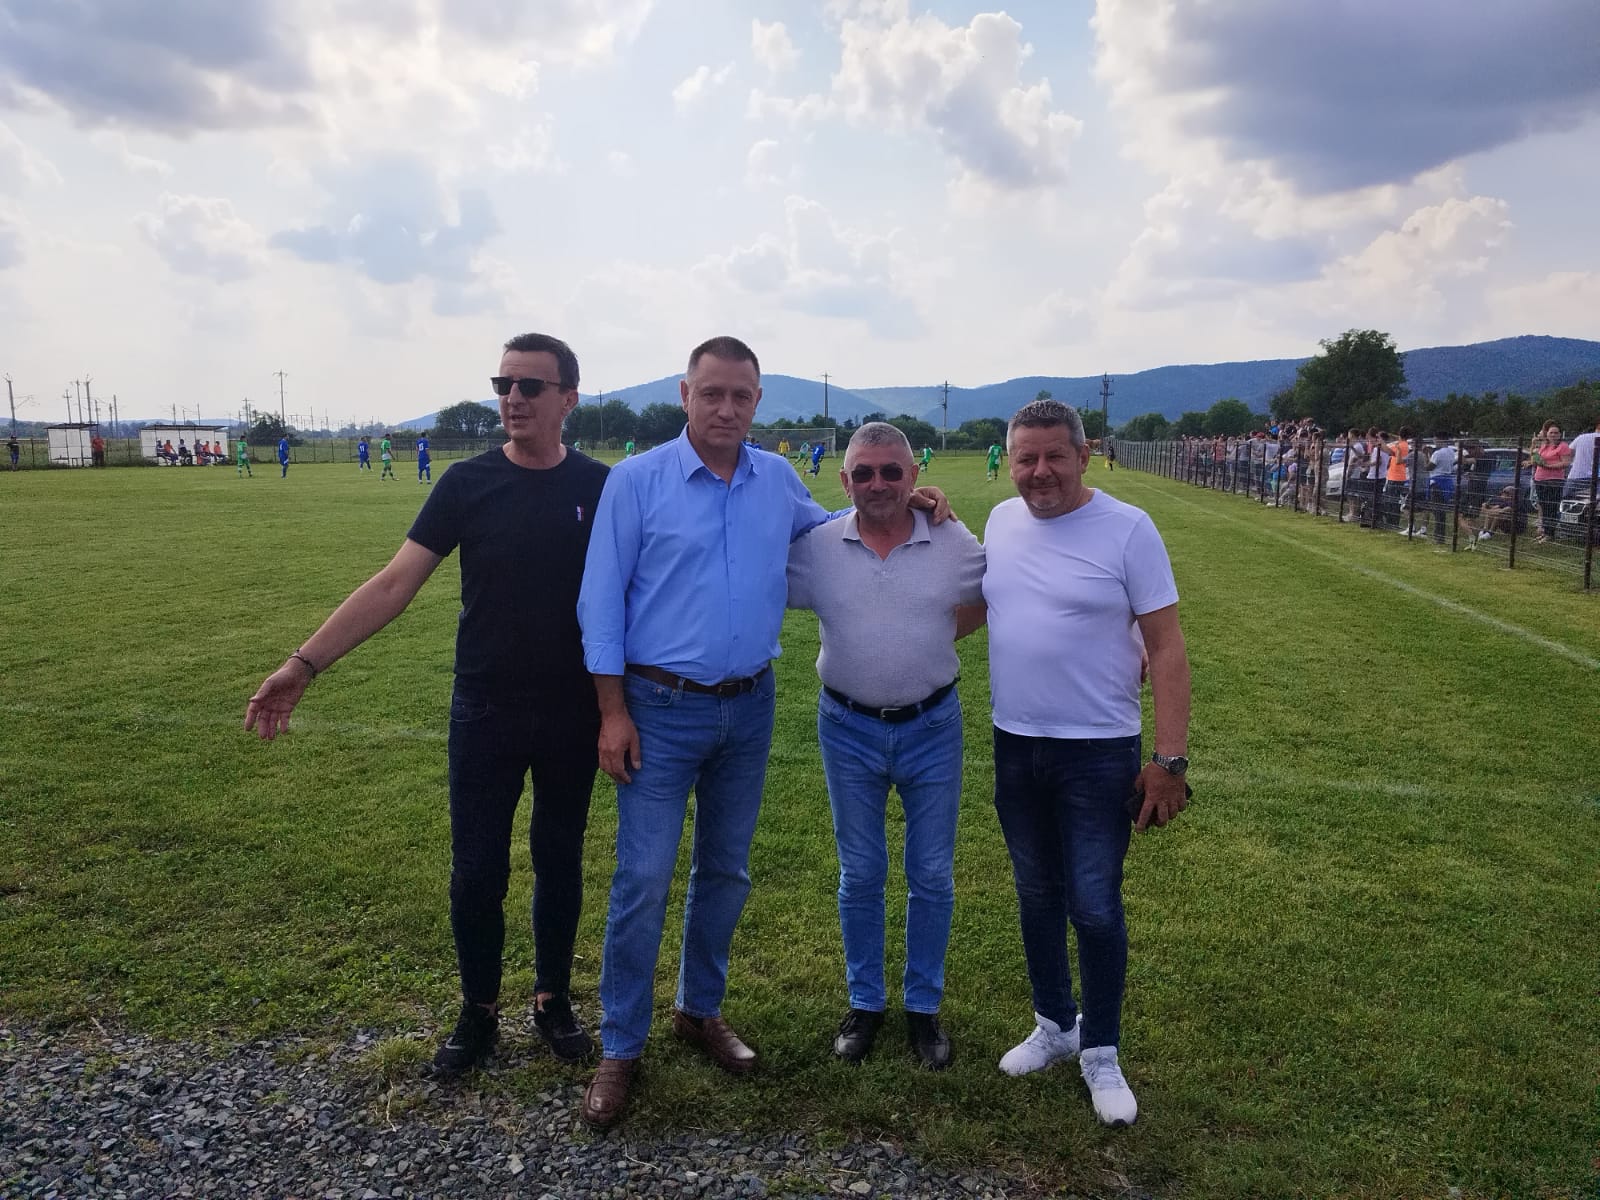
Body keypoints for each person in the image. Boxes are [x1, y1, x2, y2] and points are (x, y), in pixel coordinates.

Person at [574, 336, 948, 1130]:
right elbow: (599, 602)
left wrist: (908, 500)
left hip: (748, 708)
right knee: (643, 877)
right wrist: (611, 711)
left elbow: (840, 530)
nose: (725, 408)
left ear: (756, 402)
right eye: (711, 393)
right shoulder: (635, 481)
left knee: (726, 871)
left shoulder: (775, 479)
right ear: (685, 395)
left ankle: (698, 1009)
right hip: (658, 706)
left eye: (740, 396)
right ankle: (621, 1045)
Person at [244, 333, 609, 1074]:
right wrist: (303, 664)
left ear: (568, 398)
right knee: (476, 869)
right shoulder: (467, 483)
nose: (512, 398)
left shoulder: (602, 486)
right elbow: (393, 583)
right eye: (502, 384)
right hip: (485, 709)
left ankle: (552, 1000)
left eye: (530, 386)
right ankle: (478, 1010)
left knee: (559, 858)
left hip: (572, 710)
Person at [982, 399, 1191, 1129]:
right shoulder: (1000, 521)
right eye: (1026, 458)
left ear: (1083, 455)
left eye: (1054, 457)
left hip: (1099, 750)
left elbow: (1166, 646)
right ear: (1011, 461)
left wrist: (1169, 759)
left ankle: (1101, 1049)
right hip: (1015, 742)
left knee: (1095, 905)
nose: (1039, 472)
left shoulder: (1129, 529)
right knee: (1036, 893)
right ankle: (1054, 1025)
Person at [786, 423, 984, 1070]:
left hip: (933, 726)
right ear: (845, 480)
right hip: (847, 728)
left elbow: (995, 594)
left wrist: (930, 637)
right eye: (865, 473)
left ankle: (923, 1008)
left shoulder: (951, 540)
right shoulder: (816, 548)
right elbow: (746, 575)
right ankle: (865, 1003)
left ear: (914, 475)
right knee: (862, 871)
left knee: (931, 873)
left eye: (892, 472)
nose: (878, 484)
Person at [1530, 422, 1571, 543]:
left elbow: (1565, 463)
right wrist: (1534, 449)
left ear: (1560, 434)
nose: (1553, 435)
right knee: (1543, 505)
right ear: (1547, 434)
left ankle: (1550, 533)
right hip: (1540, 479)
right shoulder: (1544, 446)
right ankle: (1545, 531)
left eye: (1556, 433)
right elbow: (1534, 459)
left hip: (1554, 480)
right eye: (1551, 432)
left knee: (1551, 507)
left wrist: (1549, 466)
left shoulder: (1563, 446)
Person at [1563, 413, 1599, 500]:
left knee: (1566, 501)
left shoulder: (1581, 437)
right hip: (1597, 478)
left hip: (1576, 476)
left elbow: (1568, 453)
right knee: (1595, 503)